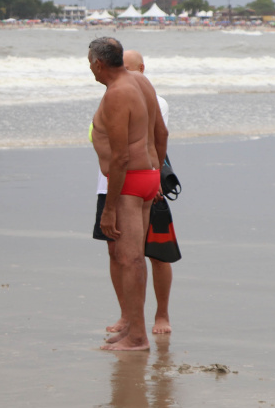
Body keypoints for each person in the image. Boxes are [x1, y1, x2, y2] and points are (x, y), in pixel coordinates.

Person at [88, 38, 167, 351]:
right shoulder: (141, 82)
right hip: (146, 178)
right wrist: (156, 172)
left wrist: (109, 209)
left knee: (129, 258)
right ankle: (133, 328)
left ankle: (137, 337)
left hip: (129, 184)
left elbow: (119, 157)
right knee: (132, 258)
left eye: (90, 63)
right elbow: (162, 133)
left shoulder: (117, 94)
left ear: (99, 64)